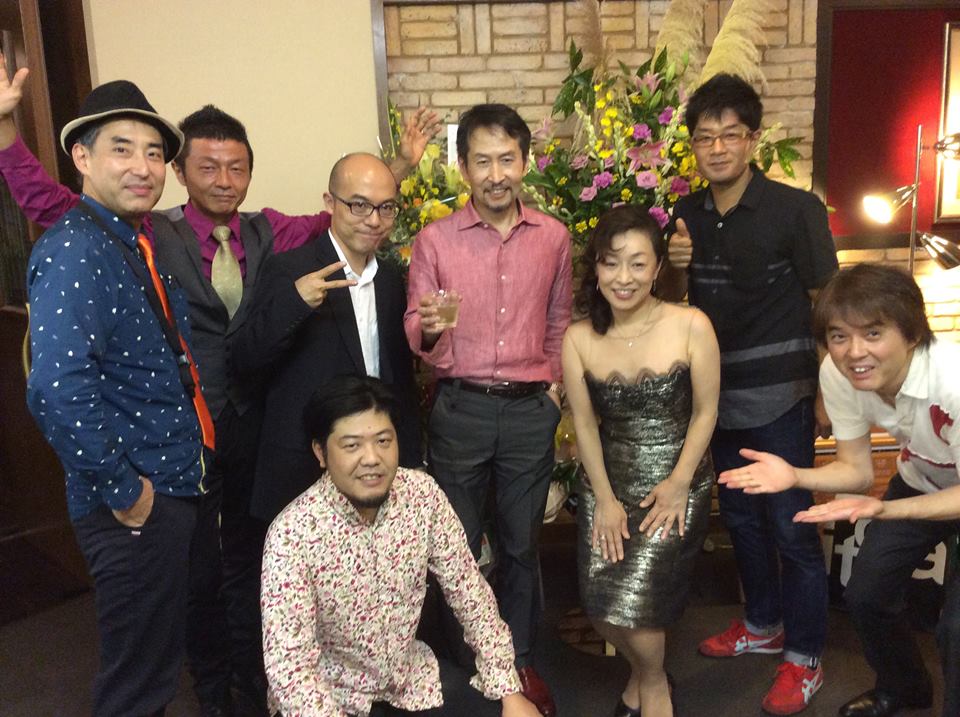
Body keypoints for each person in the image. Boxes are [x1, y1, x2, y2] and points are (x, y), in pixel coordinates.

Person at [0, 53, 438, 715]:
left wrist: (399, 165)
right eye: (206, 166)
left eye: (237, 167)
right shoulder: (137, 231)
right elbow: (58, 367)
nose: (224, 180)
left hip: (238, 429)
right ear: (182, 172)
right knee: (182, 604)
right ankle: (215, 691)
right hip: (156, 458)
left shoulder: (261, 229)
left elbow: (349, 214)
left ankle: (251, 682)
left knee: (245, 563)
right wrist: (8, 136)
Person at [25, 80, 209, 716]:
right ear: (82, 156)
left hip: (167, 484)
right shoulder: (76, 248)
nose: (143, 167)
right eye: (122, 148)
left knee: (155, 667)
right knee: (137, 685)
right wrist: (127, 492)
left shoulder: (127, 240)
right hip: (132, 502)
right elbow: (56, 388)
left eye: (154, 153)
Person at [660, 73, 838, 715]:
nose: (717, 148)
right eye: (704, 137)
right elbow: (673, 303)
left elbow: (829, 304)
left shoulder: (796, 210)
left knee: (792, 529)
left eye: (729, 135)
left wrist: (829, 394)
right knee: (740, 523)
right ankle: (763, 624)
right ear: (693, 145)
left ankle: (806, 658)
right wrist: (676, 263)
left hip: (783, 396)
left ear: (752, 139)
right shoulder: (687, 215)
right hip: (718, 400)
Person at [719, 263, 960, 717]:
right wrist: (796, 476)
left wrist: (886, 511)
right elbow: (856, 471)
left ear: (912, 333)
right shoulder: (839, 372)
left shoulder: (953, 380)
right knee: (866, 594)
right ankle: (904, 687)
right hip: (921, 481)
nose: (854, 352)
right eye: (839, 336)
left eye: (873, 333)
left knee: (956, 629)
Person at [403, 103, 572, 717]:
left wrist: (552, 392)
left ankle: (519, 661)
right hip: (461, 408)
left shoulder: (553, 237)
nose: (495, 174)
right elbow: (415, 332)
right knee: (455, 548)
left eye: (507, 159)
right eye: (482, 161)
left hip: (529, 411)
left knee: (522, 544)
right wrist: (430, 327)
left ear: (525, 162)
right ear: (463, 168)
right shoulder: (435, 240)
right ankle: (465, 664)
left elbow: (559, 320)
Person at [260, 375, 543, 717]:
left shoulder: (422, 496)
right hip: (328, 696)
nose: (371, 458)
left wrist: (508, 690)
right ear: (321, 452)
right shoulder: (292, 533)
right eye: (351, 446)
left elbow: (470, 593)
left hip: (409, 682)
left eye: (383, 440)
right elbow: (290, 668)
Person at [562, 205, 719, 717]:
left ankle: (653, 686)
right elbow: (586, 426)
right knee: (600, 604)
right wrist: (605, 500)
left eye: (637, 263)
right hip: (607, 484)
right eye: (611, 263)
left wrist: (679, 483)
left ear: (657, 268)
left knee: (643, 606)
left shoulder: (691, 324)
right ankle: (647, 675)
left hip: (674, 485)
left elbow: (706, 412)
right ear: (596, 268)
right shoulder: (579, 337)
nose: (623, 278)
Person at [231, 153, 421, 524]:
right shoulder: (290, 268)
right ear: (330, 202)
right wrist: (295, 302)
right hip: (303, 466)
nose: (374, 220)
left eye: (386, 208)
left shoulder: (388, 279)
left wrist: (410, 456)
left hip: (373, 464)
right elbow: (244, 360)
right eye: (359, 205)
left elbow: (397, 377)